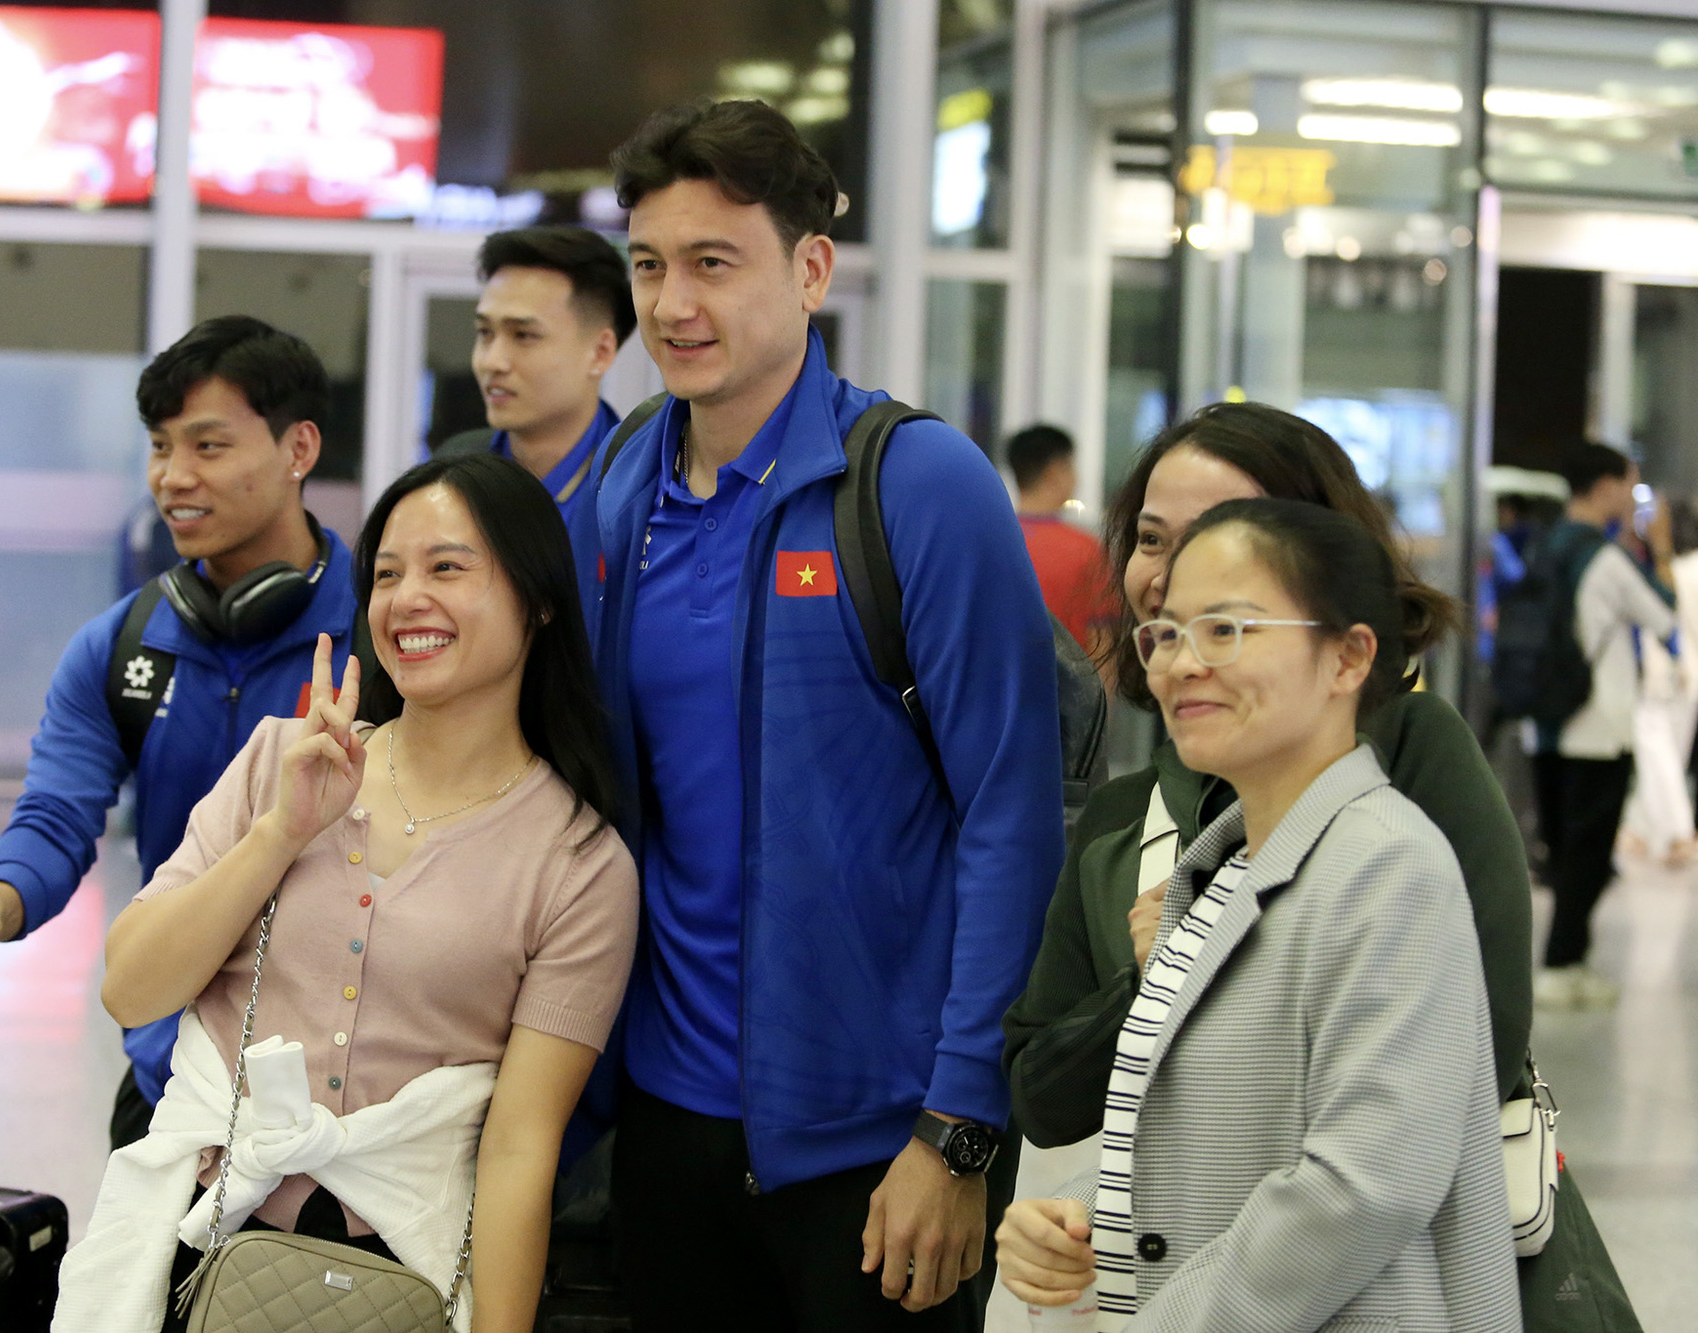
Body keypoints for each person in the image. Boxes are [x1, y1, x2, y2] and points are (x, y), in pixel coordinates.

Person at [588, 99, 1065, 1331]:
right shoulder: (625, 482)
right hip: (665, 1120)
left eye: (711, 263)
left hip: (877, 1142)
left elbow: (1011, 815)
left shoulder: (914, 485)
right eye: (647, 265)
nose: (671, 305)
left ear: (809, 270)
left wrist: (958, 1131)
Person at [55, 452, 639, 1333]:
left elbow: (520, 1149)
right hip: (193, 1248)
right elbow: (130, 987)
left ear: (540, 599)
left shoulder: (579, 862)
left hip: (400, 1272)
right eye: (388, 573)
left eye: (448, 567)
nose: (408, 599)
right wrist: (281, 832)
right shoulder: (278, 762)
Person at [996, 497, 1518, 1332]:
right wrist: (1091, 1225)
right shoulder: (1227, 870)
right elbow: (1214, 1144)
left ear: (1348, 656)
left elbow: (1362, 1188)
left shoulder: (1386, 865)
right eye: (1166, 632)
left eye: (1227, 629)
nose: (1181, 663)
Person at [1003, 402, 1532, 1159]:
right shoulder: (1123, 813)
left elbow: (1480, 1050)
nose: (1172, 572)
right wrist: (1150, 984)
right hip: (1151, 1260)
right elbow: (1043, 1096)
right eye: (1152, 539)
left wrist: (1203, 967)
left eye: (1220, 535)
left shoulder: (1409, 759)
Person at [0, 316, 365, 1150]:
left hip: (347, 1096)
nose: (173, 478)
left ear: (299, 448)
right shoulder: (122, 647)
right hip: (171, 1077)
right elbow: (57, 812)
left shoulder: (383, 637)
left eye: (208, 446)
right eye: (160, 446)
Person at [1531, 443, 1675, 1009]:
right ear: (1606, 487)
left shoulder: (1544, 545)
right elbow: (1662, 613)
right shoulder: (1604, 557)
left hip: (1544, 723)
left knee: (1563, 850)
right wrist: (1657, 549)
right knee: (1587, 856)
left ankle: (1561, 963)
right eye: (1629, 485)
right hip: (1597, 726)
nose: (1633, 497)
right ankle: (1563, 966)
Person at [438, 224, 636, 537]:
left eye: (524, 335)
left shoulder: (641, 490)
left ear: (600, 352)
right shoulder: (449, 474)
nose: (492, 361)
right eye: (485, 333)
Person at [1626, 495, 1698, 864]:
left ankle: (1679, 833)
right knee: (1668, 757)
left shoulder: (1677, 568)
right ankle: (1637, 828)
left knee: (1658, 757)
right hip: (1688, 680)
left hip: (1667, 676)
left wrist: (1661, 547)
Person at [1005, 423, 1113, 656]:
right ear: (1055, 472)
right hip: (1065, 687)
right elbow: (1102, 640)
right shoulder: (1085, 549)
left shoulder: (990, 542)